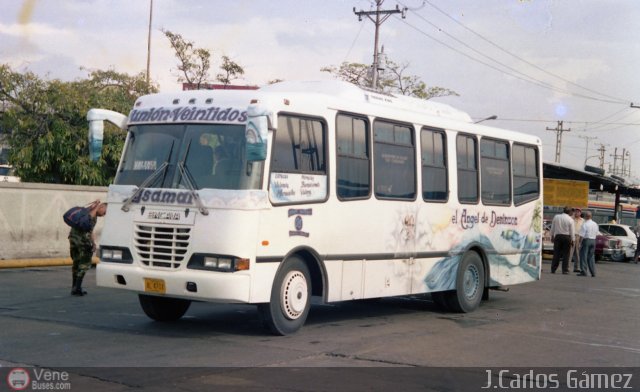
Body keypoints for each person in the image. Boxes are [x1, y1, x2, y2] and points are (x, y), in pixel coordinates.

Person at [68, 200, 107, 296]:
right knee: (84, 265)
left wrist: (93, 243)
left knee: (76, 263)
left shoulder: (86, 211)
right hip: (82, 242)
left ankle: (74, 287)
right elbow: (90, 219)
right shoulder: (91, 213)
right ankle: (77, 288)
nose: (104, 215)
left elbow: (90, 230)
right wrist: (97, 207)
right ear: (101, 207)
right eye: (105, 212)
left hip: (74, 240)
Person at [550, 206, 575, 274]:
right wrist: (573, 240)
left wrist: (552, 236)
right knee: (566, 254)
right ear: (569, 212)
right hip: (566, 237)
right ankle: (565, 270)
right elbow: (572, 231)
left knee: (556, 253)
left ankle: (553, 269)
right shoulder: (570, 220)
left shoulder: (556, 217)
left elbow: (553, 227)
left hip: (558, 236)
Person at [578, 211, 599, 277]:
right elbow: (597, 233)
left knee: (583, 256)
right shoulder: (595, 224)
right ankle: (593, 272)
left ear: (586, 217)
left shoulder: (585, 224)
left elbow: (582, 235)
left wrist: (579, 243)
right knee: (591, 257)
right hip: (593, 240)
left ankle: (584, 271)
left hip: (586, 240)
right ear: (591, 216)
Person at [570, 208, 584, 273]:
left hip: (578, 237)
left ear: (580, 213)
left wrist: (582, 239)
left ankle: (576, 267)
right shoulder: (571, 219)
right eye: (576, 211)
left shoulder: (583, 220)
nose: (577, 213)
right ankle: (567, 267)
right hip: (571, 236)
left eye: (578, 212)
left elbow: (583, 230)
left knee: (577, 253)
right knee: (570, 253)